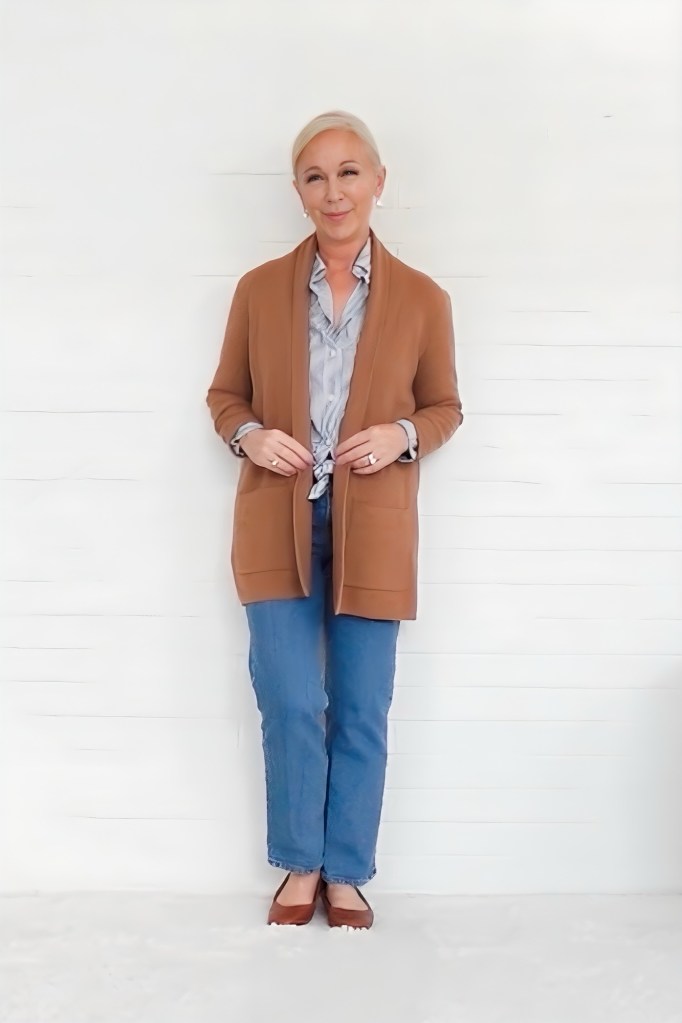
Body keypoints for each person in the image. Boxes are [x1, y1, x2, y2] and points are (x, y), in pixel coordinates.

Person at [206, 110, 463, 929]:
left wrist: (402, 435)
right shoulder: (256, 290)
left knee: (361, 705)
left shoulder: (424, 298)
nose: (334, 190)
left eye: (350, 172)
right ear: (298, 191)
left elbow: (446, 406)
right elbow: (224, 397)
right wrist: (252, 434)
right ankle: (300, 863)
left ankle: (348, 868)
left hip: (375, 526)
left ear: (379, 182)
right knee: (288, 696)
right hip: (273, 519)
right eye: (316, 176)